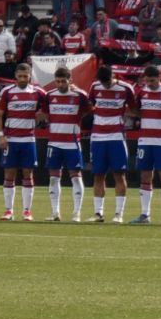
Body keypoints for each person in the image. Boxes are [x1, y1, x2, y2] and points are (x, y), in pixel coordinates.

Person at [40, 66, 90, 223]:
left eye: (63, 81)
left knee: (75, 177)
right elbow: (46, 114)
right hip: (54, 143)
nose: (60, 84)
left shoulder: (80, 95)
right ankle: (55, 213)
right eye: (57, 81)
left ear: (70, 80)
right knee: (54, 178)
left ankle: (76, 213)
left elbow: (88, 110)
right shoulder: (49, 96)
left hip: (72, 143)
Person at [0, 63, 44, 222]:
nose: (23, 79)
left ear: (30, 76)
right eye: (20, 76)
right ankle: (8, 210)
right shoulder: (7, 92)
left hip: (29, 139)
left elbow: (52, 104)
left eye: (26, 76)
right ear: (15, 75)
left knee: (27, 175)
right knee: (9, 174)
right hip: (11, 140)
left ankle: (27, 211)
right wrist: (1, 135)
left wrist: (41, 115)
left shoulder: (38, 92)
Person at [132, 61, 161, 226]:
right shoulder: (141, 92)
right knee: (145, 175)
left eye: (153, 80)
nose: (150, 84)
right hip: (145, 140)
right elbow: (136, 110)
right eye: (147, 80)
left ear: (160, 78)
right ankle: (145, 214)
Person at [86, 64, 135, 223]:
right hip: (98, 137)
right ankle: (98, 213)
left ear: (113, 77)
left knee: (119, 175)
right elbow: (90, 104)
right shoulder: (94, 86)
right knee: (98, 175)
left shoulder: (125, 88)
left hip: (116, 137)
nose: (106, 85)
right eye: (103, 82)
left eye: (108, 82)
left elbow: (133, 108)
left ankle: (118, 214)